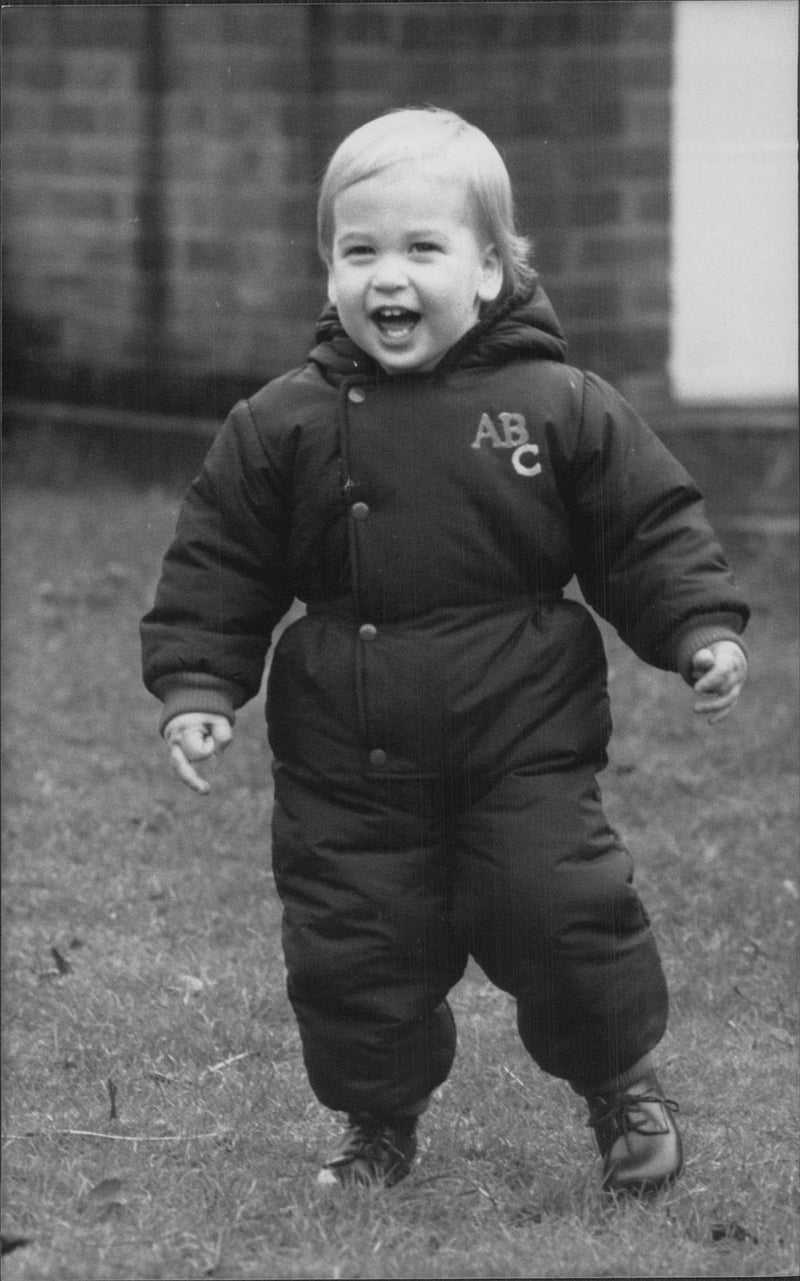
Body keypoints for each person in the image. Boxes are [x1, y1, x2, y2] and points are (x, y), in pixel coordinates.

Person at [141, 108, 749, 1197]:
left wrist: (696, 628)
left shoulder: (558, 405)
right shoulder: (281, 423)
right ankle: (377, 1124)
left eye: (421, 249)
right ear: (325, 268)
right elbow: (219, 560)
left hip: (520, 737)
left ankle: (619, 1082)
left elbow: (643, 530)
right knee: (353, 946)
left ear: (489, 268)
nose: (388, 277)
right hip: (346, 752)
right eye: (358, 250)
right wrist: (198, 684)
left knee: (562, 911)